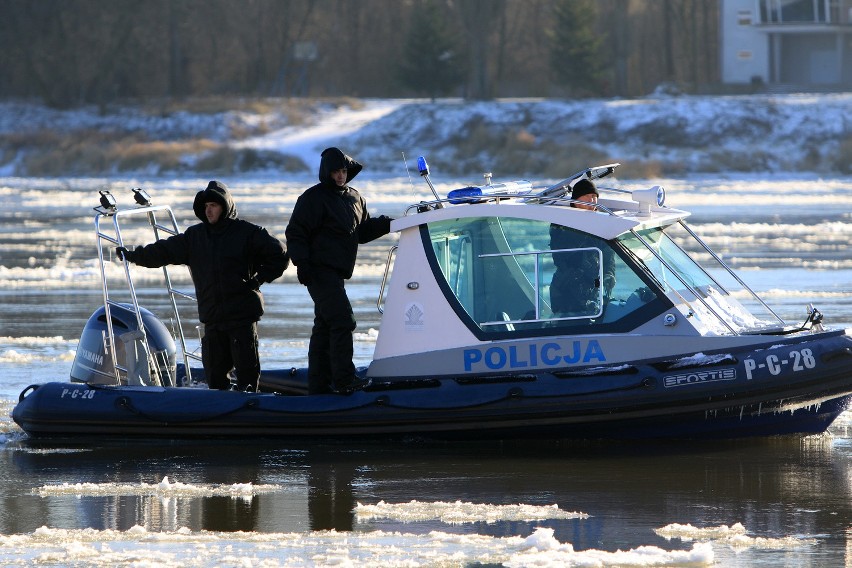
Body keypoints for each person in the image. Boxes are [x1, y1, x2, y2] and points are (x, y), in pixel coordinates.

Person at [116, 180, 288, 392]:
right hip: (213, 317)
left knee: (247, 376)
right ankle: (218, 417)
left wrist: (258, 279)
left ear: (225, 206)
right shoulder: (195, 237)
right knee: (215, 377)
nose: (209, 210)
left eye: (213, 205)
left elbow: (280, 255)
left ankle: (251, 413)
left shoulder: (247, 233)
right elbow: (164, 251)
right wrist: (133, 255)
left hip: (241, 317)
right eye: (206, 206)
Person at [285, 147, 393, 395]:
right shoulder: (313, 198)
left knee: (324, 326)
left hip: (337, 273)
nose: (341, 176)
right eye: (336, 171)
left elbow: (362, 232)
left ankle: (319, 385)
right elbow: (296, 233)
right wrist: (302, 263)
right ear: (327, 173)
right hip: (318, 271)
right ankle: (344, 380)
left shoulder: (355, 198)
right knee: (344, 320)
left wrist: (389, 223)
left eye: (344, 171)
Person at [549, 178, 616, 315]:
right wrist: (584, 225)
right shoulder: (561, 224)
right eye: (587, 197)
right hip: (566, 290)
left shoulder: (600, 223)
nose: (592, 202)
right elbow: (560, 255)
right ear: (575, 201)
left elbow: (608, 254)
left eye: (594, 197)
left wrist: (609, 274)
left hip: (593, 286)